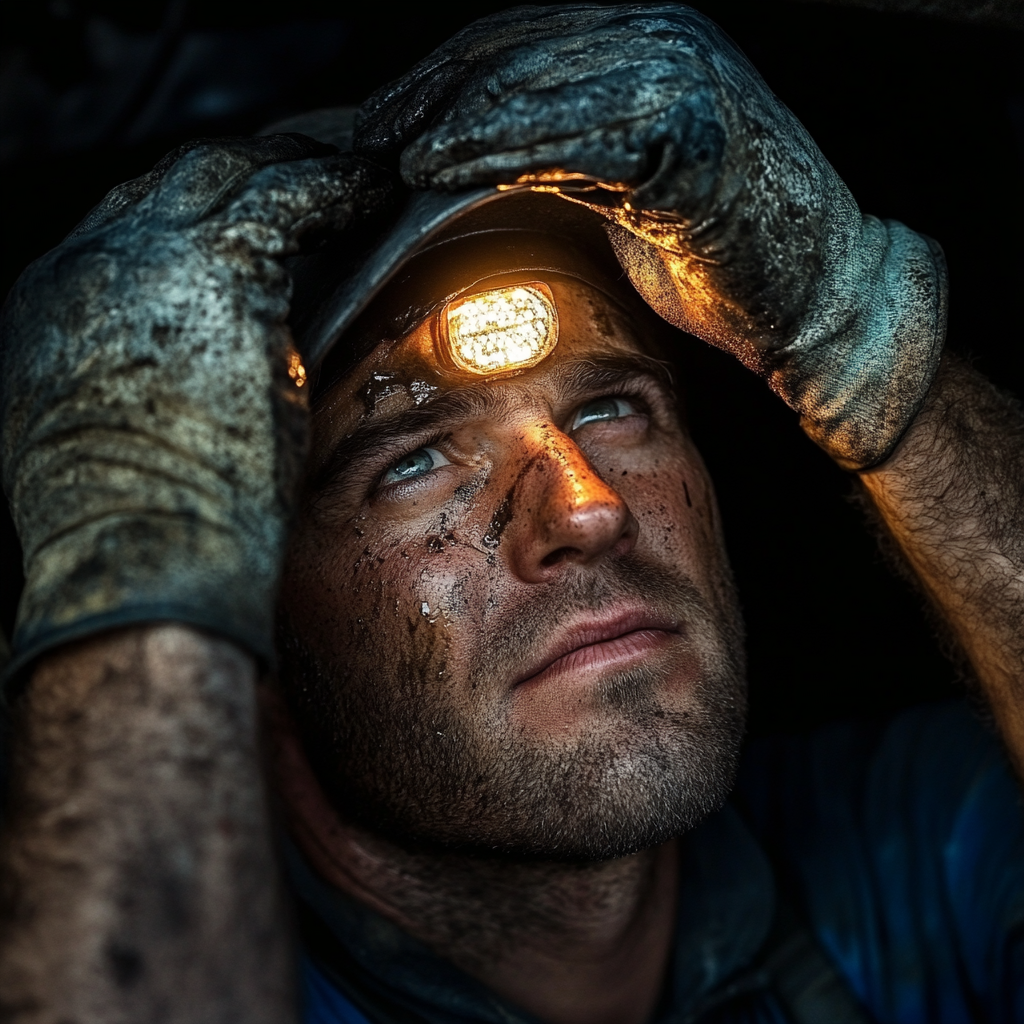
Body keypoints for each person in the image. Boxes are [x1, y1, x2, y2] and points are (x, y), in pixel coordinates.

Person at [0, 5, 1022, 1023]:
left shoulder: (914, 845)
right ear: (249, 624)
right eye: (413, 464)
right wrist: (142, 566)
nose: (585, 509)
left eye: (612, 408)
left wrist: (862, 337)